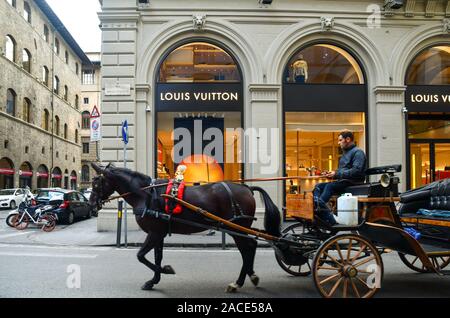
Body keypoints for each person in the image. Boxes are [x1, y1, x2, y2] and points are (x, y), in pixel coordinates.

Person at [313, 130, 367, 225]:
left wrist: (336, 174)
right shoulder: (346, 153)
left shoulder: (358, 152)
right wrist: (332, 174)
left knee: (329, 187)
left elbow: (356, 171)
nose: (338, 143)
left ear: (348, 139)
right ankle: (317, 206)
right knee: (318, 186)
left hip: (353, 183)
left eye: (340, 140)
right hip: (343, 182)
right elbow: (342, 171)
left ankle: (320, 210)